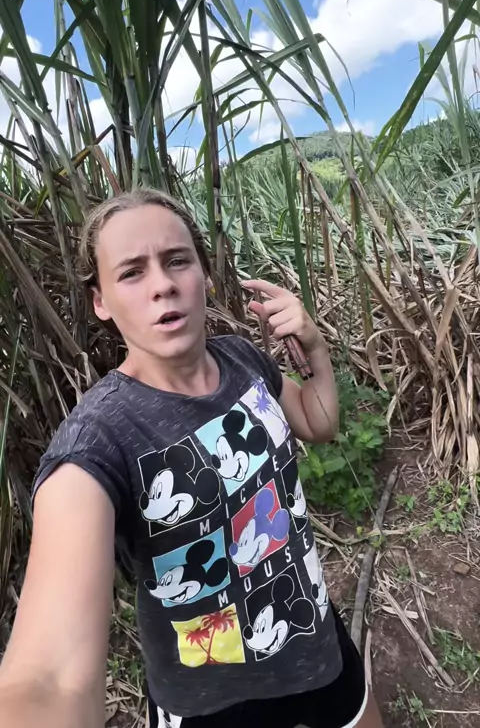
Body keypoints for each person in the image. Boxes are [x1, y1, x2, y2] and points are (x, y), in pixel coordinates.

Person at [0, 188, 384, 728]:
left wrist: (315, 348)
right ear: (101, 301)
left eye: (177, 260)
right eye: (132, 272)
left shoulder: (242, 359)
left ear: (204, 273)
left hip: (309, 632)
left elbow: (318, 423)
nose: (163, 284)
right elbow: (51, 676)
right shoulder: (97, 441)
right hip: (211, 697)